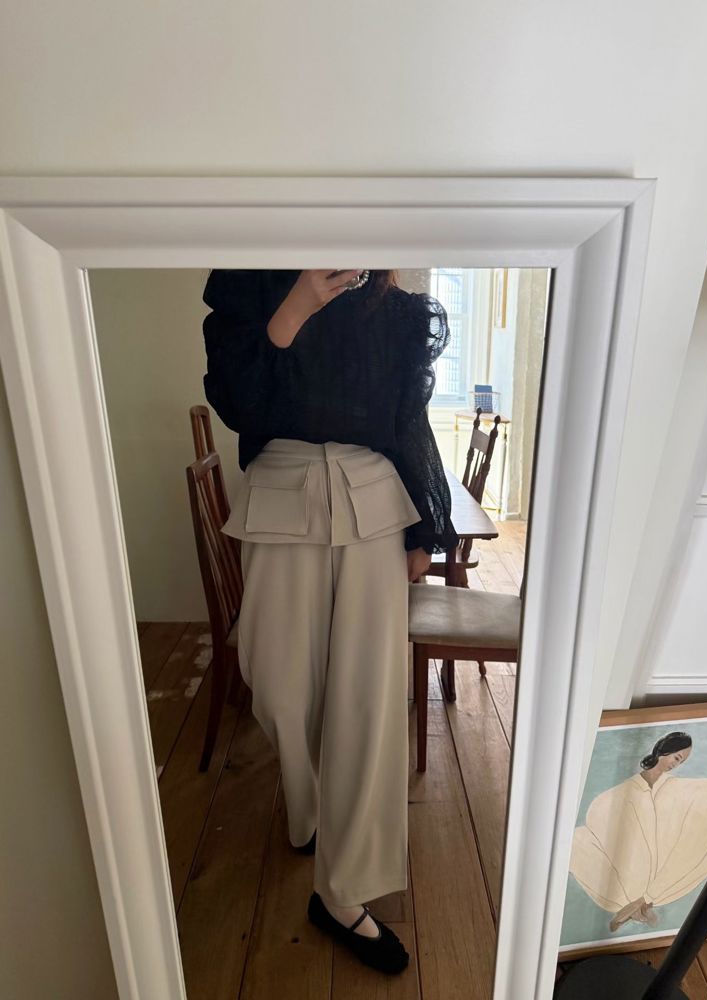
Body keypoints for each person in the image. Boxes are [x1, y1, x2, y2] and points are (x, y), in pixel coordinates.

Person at [201, 268, 459, 974]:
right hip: (280, 493)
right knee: (278, 687)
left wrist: (424, 530)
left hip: (374, 499)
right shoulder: (249, 288)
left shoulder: (396, 311)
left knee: (368, 700)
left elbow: (407, 421)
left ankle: (342, 893)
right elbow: (237, 402)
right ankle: (308, 801)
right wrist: (299, 303)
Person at [569, 731, 707, 933]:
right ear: (664, 751)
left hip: (660, 860)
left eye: (681, 762)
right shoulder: (629, 791)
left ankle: (642, 902)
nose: (676, 764)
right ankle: (640, 903)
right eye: (676, 758)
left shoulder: (670, 786)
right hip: (638, 865)